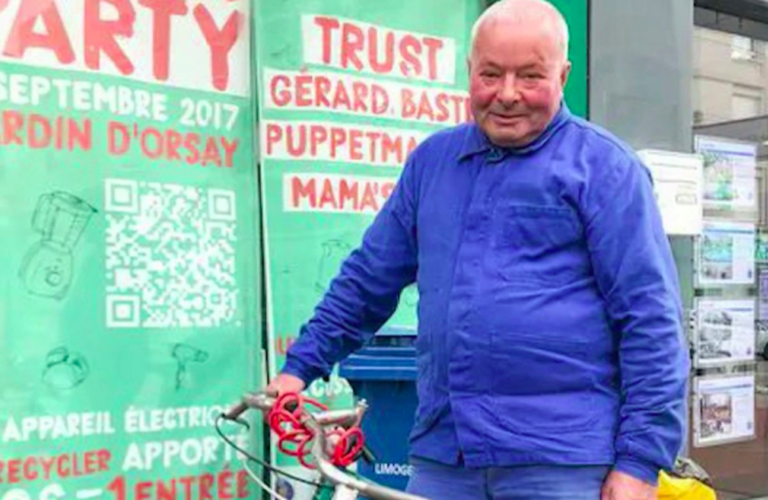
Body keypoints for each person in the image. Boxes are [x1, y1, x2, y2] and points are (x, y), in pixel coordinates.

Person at [267, 0, 690, 499]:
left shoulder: (605, 169)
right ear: (470, 71)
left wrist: (640, 461)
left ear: (563, 74)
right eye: (491, 74)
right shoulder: (433, 164)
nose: (507, 94)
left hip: (560, 460)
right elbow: (368, 279)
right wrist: (300, 368)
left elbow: (651, 319)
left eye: (530, 76)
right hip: (447, 453)